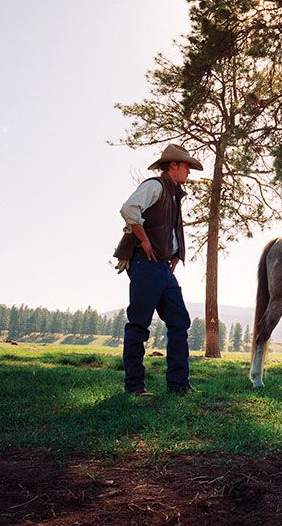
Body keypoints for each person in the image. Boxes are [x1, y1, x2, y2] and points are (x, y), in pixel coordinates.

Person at [113, 144, 203, 396]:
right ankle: (134, 387)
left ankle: (178, 385)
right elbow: (129, 209)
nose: (189, 171)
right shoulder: (154, 186)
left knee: (179, 322)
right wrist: (143, 240)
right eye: (186, 166)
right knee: (139, 324)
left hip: (162, 267)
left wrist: (175, 254)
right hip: (145, 263)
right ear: (173, 165)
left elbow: (169, 228)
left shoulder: (174, 193)